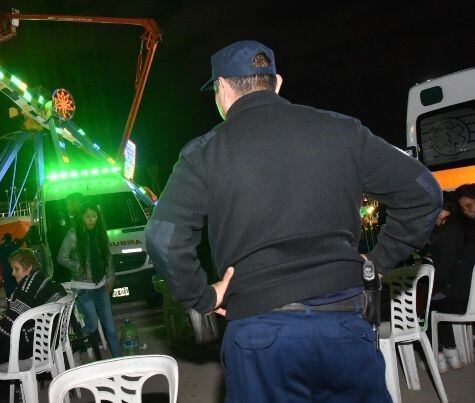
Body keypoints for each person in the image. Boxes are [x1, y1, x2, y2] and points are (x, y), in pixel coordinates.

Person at [145, 40, 441, 401]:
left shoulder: (204, 152)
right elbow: (424, 192)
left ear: (221, 88)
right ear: (277, 82)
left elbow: (163, 237)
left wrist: (203, 296)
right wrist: (378, 261)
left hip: (260, 335)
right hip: (345, 323)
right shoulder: (342, 130)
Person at [0, 249, 65, 397]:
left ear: (29, 267)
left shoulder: (27, 286)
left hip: (33, 345)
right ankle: (13, 389)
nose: (13, 273)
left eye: (16, 268)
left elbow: (13, 319)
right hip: (47, 340)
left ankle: (6, 394)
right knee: (2, 339)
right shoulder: (44, 280)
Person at [57, 201, 122, 357]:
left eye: (94, 216)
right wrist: (79, 266)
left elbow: (108, 257)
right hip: (83, 288)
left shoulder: (101, 232)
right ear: (81, 218)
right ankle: (76, 342)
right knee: (92, 324)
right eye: (87, 217)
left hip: (100, 285)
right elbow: (61, 257)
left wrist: (111, 277)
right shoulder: (73, 234)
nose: (91, 220)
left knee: (111, 327)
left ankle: (120, 360)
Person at [428, 183, 475, 372]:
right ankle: (451, 354)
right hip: (466, 295)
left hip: (463, 297)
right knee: (436, 299)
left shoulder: (453, 231)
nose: (467, 211)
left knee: (428, 305)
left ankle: (438, 356)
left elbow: (448, 268)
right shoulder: (465, 229)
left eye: (469, 206)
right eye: (464, 207)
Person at [0, 233, 21, 298]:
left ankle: (9, 300)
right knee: (15, 284)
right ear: (11, 238)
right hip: (13, 269)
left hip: (5, 269)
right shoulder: (14, 246)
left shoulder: (1, 247)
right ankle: (16, 298)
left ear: (4, 238)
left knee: (7, 286)